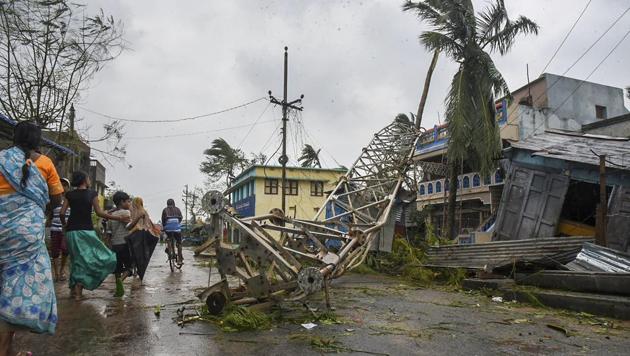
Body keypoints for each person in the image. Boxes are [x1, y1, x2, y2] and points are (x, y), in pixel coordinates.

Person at [0, 121, 64, 354]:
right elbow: (57, 200)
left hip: (1, 228)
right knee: (15, 285)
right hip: (26, 234)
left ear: (14, 138)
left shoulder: (1, 158)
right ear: (38, 140)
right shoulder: (45, 163)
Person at [60, 171, 129, 301]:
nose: (90, 180)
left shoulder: (69, 194)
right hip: (86, 231)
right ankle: (78, 292)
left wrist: (65, 226)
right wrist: (118, 218)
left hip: (71, 232)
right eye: (88, 178)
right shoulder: (92, 194)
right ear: (84, 180)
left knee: (76, 260)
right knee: (104, 257)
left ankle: (74, 288)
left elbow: (62, 213)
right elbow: (100, 213)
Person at [125, 197, 160, 280]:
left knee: (132, 251)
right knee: (141, 252)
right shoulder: (144, 211)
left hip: (132, 234)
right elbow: (148, 224)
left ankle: (133, 267)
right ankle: (138, 269)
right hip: (142, 234)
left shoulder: (130, 210)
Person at [106, 191, 132, 297]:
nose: (129, 203)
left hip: (115, 245)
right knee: (129, 267)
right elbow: (130, 226)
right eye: (128, 201)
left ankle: (118, 290)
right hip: (125, 243)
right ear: (122, 202)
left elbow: (108, 232)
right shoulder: (126, 213)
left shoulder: (111, 215)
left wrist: (109, 245)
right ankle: (121, 280)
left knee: (117, 269)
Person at [49, 178, 71, 282]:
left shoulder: (71, 199)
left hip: (66, 229)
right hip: (54, 228)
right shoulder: (54, 200)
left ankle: (62, 271)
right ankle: (56, 273)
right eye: (60, 184)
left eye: (64, 185)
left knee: (65, 251)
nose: (62, 186)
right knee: (55, 252)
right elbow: (50, 214)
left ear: (68, 187)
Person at [161, 198, 184, 266]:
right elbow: (180, 218)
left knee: (168, 237)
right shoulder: (178, 209)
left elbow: (163, 220)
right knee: (179, 243)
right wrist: (177, 224)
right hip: (177, 228)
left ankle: (169, 250)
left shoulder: (165, 209)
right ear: (174, 203)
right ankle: (180, 259)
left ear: (167, 204)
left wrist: (164, 227)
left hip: (168, 229)